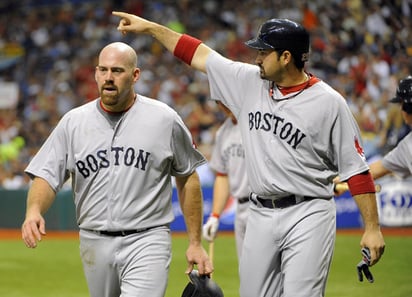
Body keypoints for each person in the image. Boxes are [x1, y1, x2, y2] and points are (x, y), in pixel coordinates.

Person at [112, 12, 385, 297]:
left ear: (286, 57)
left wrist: (372, 228)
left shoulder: (329, 103)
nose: (257, 58)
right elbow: (198, 53)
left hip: (309, 211)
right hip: (259, 213)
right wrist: (152, 28)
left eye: (264, 52)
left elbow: (356, 169)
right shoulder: (249, 81)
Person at [21, 42, 213, 297]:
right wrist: (34, 210)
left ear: (135, 75)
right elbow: (47, 174)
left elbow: (187, 177)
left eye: (117, 71)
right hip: (93, 240)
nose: (109, 78)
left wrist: (195, 243)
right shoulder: (73, 122)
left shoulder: (164, 119)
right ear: (96, 73)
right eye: (103, 70)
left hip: (148, 238)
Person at [334, 75, 412, 191]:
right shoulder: (406, 146)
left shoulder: (407, 145)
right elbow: (377, 169)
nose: (400, 109)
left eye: (401, 105)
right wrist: (344, 179)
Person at [202, 101, 250, 259]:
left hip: (264, 205)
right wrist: (215, 216)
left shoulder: (256, 124)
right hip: (241, 208)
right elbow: (222, 175)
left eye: (225, 100)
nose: (223, 106)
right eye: (218, 101)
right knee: (248, 274)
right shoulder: (224, 131)